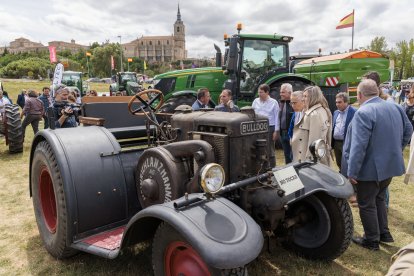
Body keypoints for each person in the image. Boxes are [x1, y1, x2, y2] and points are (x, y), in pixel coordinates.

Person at [342, 79, 412, 250]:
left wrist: (352, 172)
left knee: (366, 203)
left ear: (359, 95)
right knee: (379, 198)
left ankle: (372, 239)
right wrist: (397, 148)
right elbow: (409, 129)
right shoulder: (394, 106)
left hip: (369, 168)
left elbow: (359, 146)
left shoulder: (363, 112)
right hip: (389, 165)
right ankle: (384, 233)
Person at [291, 86, 332, 166]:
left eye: (305, 96)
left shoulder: (314, 115)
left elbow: (314, 144)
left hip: (308, 162)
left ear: (313, 97)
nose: (303, 99)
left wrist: (308, 164)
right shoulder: (322, 110)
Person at [252, 84, 279, 167]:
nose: (259, 94)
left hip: (270, 128)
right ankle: (261, 166)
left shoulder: (274, 103)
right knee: (258, 147)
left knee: (270, 149)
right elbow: (252, 114)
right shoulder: (255, 101)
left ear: (267, 92)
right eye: (258, 92)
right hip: (257, 128)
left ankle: (272, 167)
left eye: (261, 92)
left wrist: (276, 131)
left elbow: (277, 116)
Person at [332, 92, 356, 169]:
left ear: (346, 102)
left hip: (347, 143)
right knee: (339, 163)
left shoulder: (354, 112)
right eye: (336, 102)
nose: (337, 104)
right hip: (336, 143)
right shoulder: (335, 113)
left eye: (339, 102)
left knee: (348, 163)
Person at [278, 83, 294, 164]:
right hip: (283, 133)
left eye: (283, 92)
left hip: (292, 133)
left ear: (290, 92)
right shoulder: (280, 103)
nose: (281, 94)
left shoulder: (295, 103)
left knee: (293, 155)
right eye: (280, 92)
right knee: (286, 155)